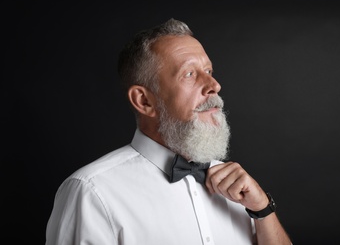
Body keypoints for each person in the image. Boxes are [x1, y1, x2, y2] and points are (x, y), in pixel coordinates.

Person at [45, 18, 292, 245]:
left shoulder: (240, 190)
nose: (214, 86)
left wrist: (262, 210)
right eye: (189, 74)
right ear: (144, 101)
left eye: (209, 72)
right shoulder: (91, 192)